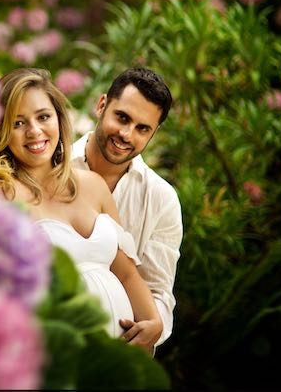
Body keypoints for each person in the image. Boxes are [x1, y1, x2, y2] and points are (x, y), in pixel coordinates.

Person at [0, 68, 163, 353]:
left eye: (43, 117)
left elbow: (126, 274)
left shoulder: (93, 185)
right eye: (18, 122)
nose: (35, 131)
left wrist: (153, 322)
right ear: (2, 130)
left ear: (59, 120)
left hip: (119, 358)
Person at [71, 66, 181, 350]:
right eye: (122, 118)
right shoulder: (53, 168)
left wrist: (149, 331)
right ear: (101, 104)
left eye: (142, 128)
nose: (126, 134)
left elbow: (159, 291)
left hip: (115, 353)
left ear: (154, 132)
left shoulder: (161, 199)